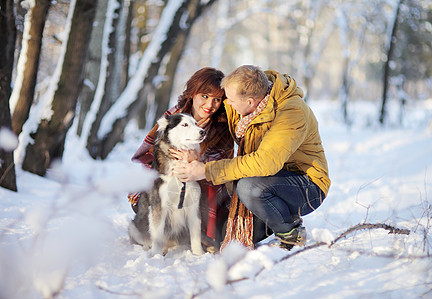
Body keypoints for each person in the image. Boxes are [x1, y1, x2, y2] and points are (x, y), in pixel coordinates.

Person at [173, 65, 330, 250]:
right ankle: (274, 213)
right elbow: (205, 108)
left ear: (250, 101)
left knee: (249, 187)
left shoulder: (292, 113)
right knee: (225, 238)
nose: (226, 103)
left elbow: (266, 163)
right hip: (266, 181)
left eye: (229, 99)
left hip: (305, 186)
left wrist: (206, 170)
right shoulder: (243, 101)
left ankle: (290, 231)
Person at [129, 67, 235, 252]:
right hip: (164, 186)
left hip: (204, 190)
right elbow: (149, 157)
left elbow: (223, 170)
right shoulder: (173, 118)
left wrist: (199, 162)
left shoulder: (222, 128)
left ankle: (201, 234)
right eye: (205, 96)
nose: (210, 104)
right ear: (193, 93)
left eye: (217, 99)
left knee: (219, 231)